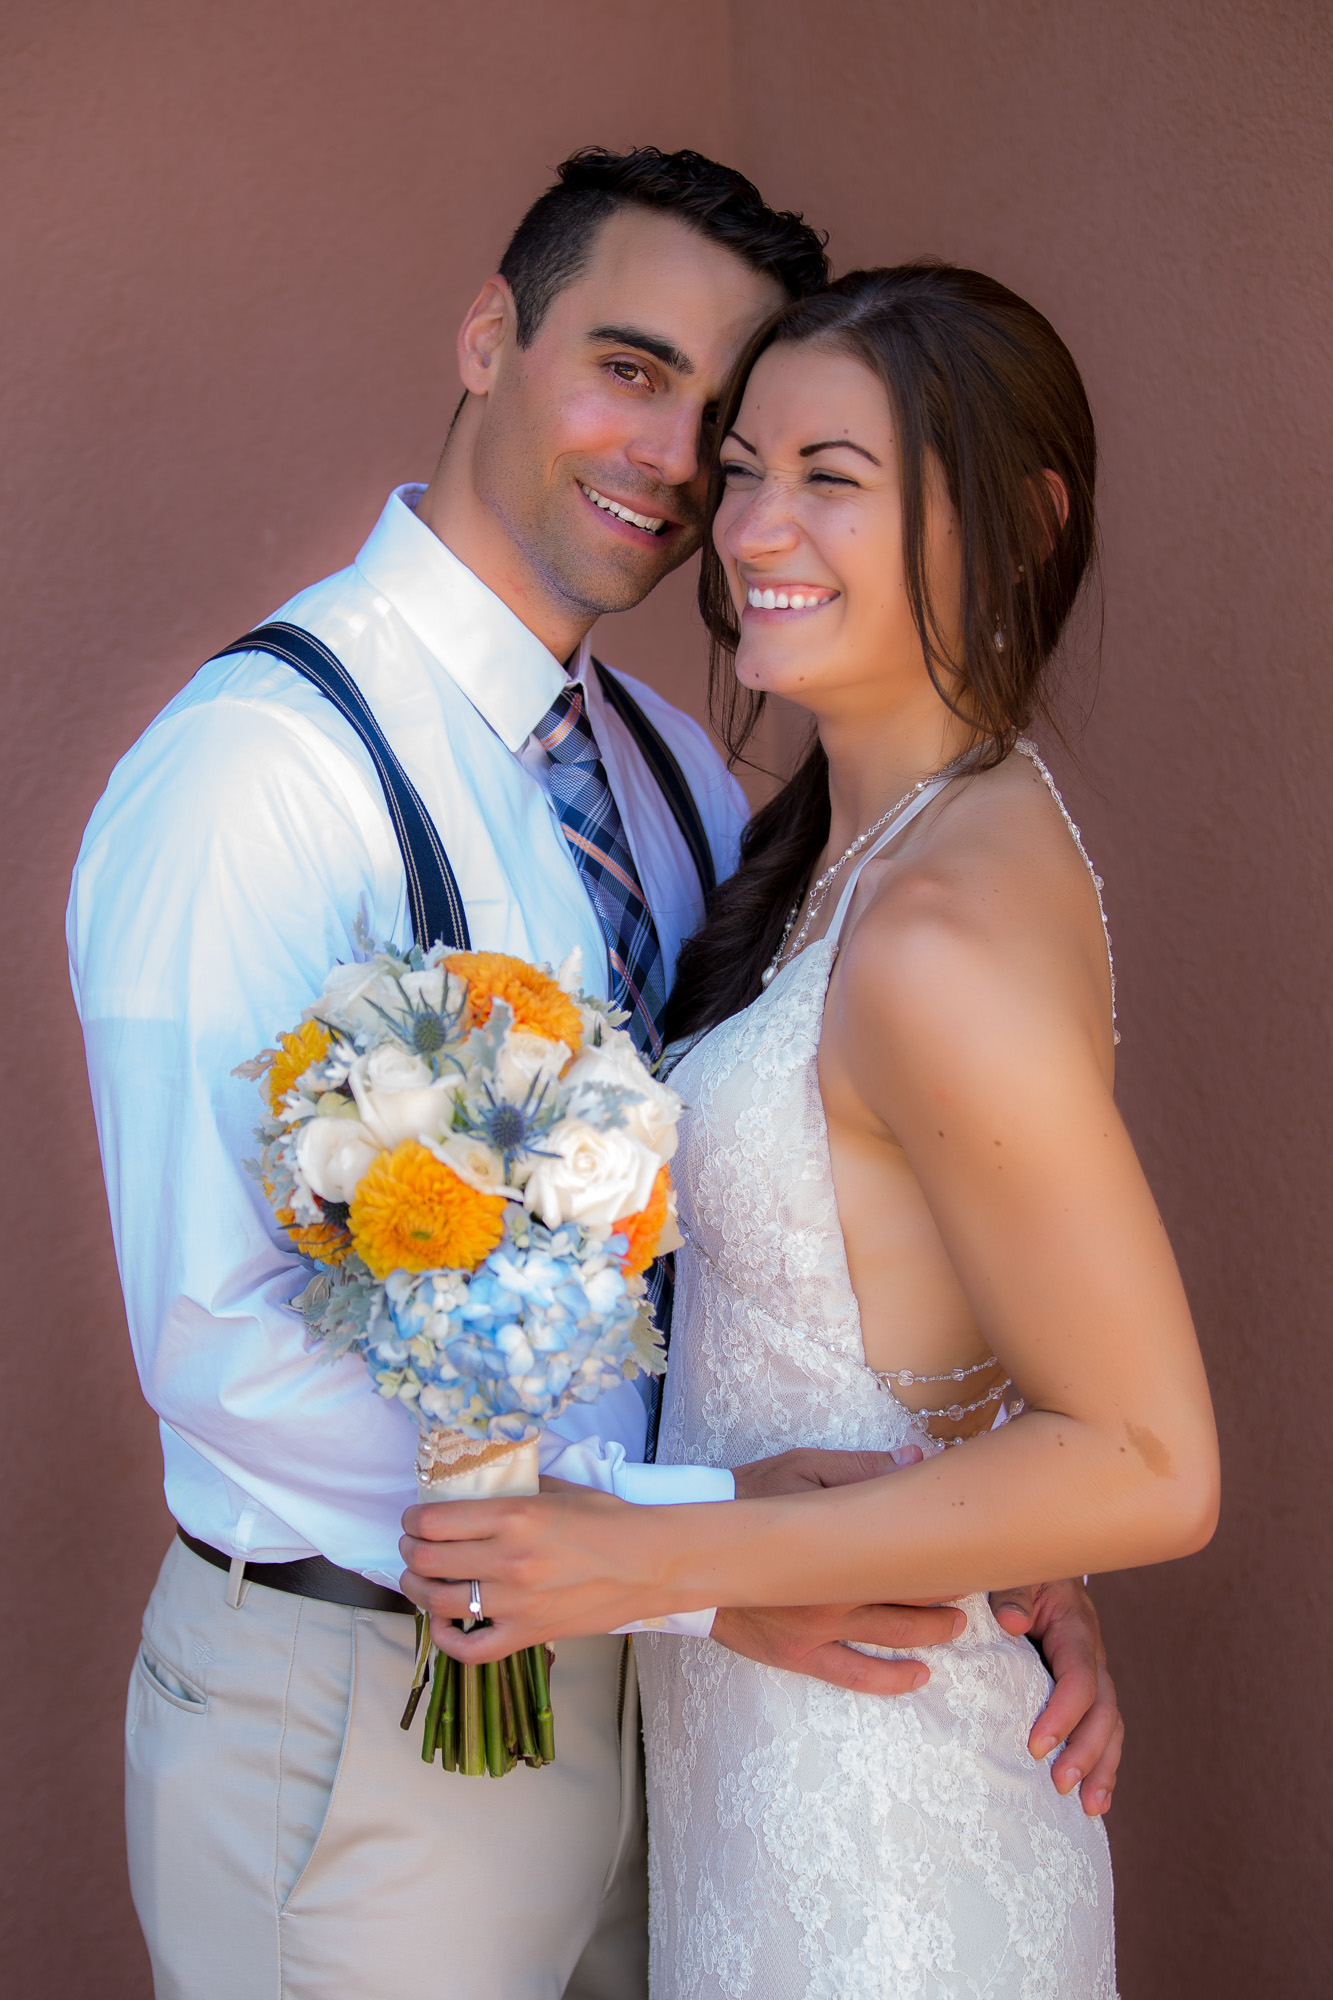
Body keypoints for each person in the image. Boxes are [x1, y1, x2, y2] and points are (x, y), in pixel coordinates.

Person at [68, 144, 1121, 2000]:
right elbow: (219, 1334)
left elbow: (804, 1205)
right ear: (490, 335)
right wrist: (721, 1546)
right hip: (368, 1710)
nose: (672, 460)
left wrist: (985, 1537)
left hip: (671, 1705)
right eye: (627, 368)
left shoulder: (676, 772)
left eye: (722, 423)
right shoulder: (262, 773)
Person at [400, 265, 1221, 1996]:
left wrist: (655, 1558)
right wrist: (1002, 1538)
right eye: (746, 466)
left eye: (830, 477)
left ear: (1015, 521)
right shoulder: (844, 852)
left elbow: (1152, 1459)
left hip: (884, 1811)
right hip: (778, 1758)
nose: (751, 523)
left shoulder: (933, 938)